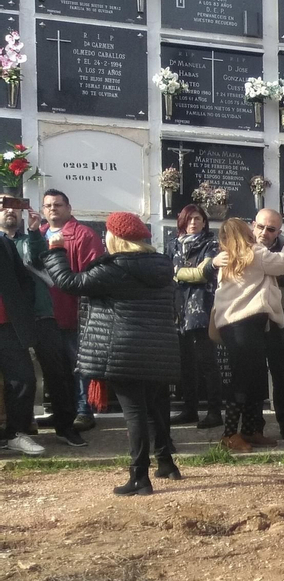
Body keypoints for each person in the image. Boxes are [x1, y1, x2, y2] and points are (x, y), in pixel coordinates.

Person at [44, 213, 181, 493]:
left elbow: (70, 283)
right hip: (157, 351)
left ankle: (139, 477)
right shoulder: (162, 267)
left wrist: (56, 251)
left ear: (116, 238)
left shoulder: (116, 269)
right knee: (154, 410)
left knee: (134, 414)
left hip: (124, 351)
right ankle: (166, 463)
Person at [211, 217, 284, 454]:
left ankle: (251, 430)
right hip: (245, 325)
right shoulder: (255, 254)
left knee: (254, 379)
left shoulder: (226, 257)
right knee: (242, 381)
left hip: (235, 326)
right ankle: (230, 434)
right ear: (247, 233)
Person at [1, 201, 80, 447]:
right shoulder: (3, 242)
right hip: (12, 321)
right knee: (20, 376)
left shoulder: (31, 238)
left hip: (39, 315)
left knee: (54, 372)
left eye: (13, 206)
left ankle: (64, 427)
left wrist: (35, 231)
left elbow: (37, 261)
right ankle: (19, 429)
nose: (9, 210)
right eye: (2, 206)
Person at [37, 188, 105, 431]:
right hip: (45, 314)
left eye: (58, 205)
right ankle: (61, 413)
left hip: (74, 312)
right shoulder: (39, 234)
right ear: (43, 210)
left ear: (68, 208)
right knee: (56, 369)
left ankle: (84, 412)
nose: (53, 209)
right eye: (48, 205)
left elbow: (94, 275)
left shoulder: (84, 235)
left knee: (79, 366)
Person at [169, 206, 222, 428]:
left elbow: (204, 273)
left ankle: (214, 412)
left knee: (207, 362)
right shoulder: (173, 244)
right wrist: (179, 272)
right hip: (179, 309)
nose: (193, 223)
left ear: (204, 222)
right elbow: (166, 270)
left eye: (197, 219)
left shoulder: (212, 244)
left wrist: (177, 272)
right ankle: (189, 409)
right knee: (185, 363)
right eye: (189, 219)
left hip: (201, 308)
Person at [0, 211, 44, 456]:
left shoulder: (4, 243)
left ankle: (16, 434)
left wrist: (23, 307)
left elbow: (24, 280)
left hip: (8, 326)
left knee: (24, 379)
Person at [254, 208, 284, 440]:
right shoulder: (242, 247)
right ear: (253, 225)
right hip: (251, 319)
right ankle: (255, 426)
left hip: (279, 319)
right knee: (253, 373)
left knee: (281, 373)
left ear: (279, 231)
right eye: (261, 226)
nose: (264, 232)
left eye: (271, 229)